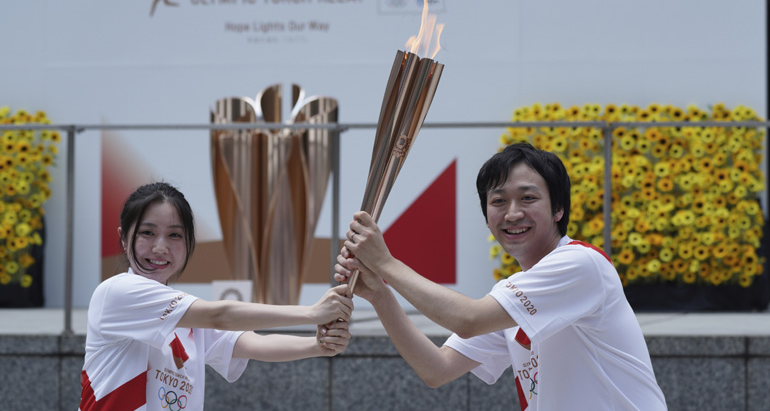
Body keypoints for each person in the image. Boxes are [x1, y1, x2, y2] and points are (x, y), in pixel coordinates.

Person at [335, 142, 667, 410]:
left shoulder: (580, 264)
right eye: (498, 201)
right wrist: (379, 293)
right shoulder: (514, 294)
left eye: (528, 198)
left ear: (558, 209)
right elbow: (437, 369)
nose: (512, 213)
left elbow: (468, 319)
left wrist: (386, 264)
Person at [80, 182, 353, 411]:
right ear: (124, 238)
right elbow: (221, 316)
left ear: (189, 244)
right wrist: (312, 313)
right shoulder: (117, 293)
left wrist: (318, 346)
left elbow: (254, 344)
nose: (160, 247)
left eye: (175, 235)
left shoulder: (185, 314)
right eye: (147, 233)